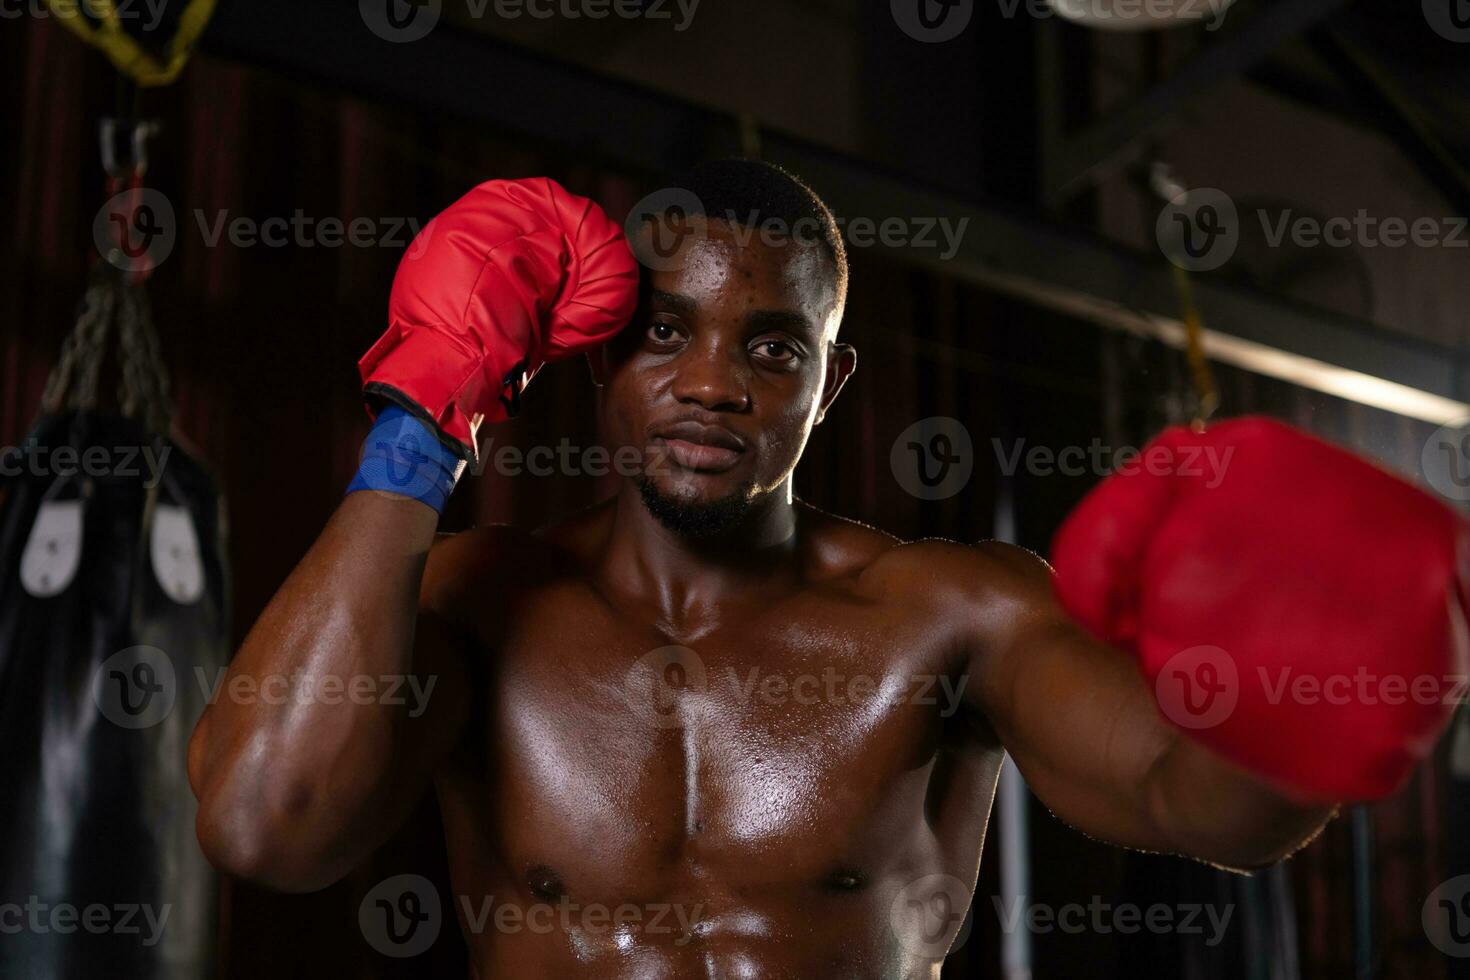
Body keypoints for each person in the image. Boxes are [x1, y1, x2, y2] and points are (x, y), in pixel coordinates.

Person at [187, 160, 1467, 978]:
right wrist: (420, 422)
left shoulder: (955, 612)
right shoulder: (473, 598)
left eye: (774, 348)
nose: (710, 382)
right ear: (592, 359)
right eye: (664, 334)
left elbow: (1205, 805)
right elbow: (263, 825)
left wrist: (1308, 675)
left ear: (830, 382)